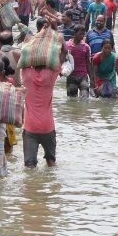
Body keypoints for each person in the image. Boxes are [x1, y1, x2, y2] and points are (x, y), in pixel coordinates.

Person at [20, 19, 66, 167]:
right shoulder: (51, 75)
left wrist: (39, 35)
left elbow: (25, 50)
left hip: (30, 127)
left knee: (29, 166)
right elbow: (64, 52)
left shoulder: (26, 74)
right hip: (48, 127)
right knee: (51, 163)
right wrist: (55, 31)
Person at [65, 24, 94, 98]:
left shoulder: (86, 47)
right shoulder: (67, 45)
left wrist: (91, 78)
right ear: (74, 33)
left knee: (85, 100)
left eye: (83, 34)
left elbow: (88, 63)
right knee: (71, 100)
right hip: (71, 76)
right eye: (80, 34)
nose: (82, 36)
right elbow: (63, 60)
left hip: (83, 76)